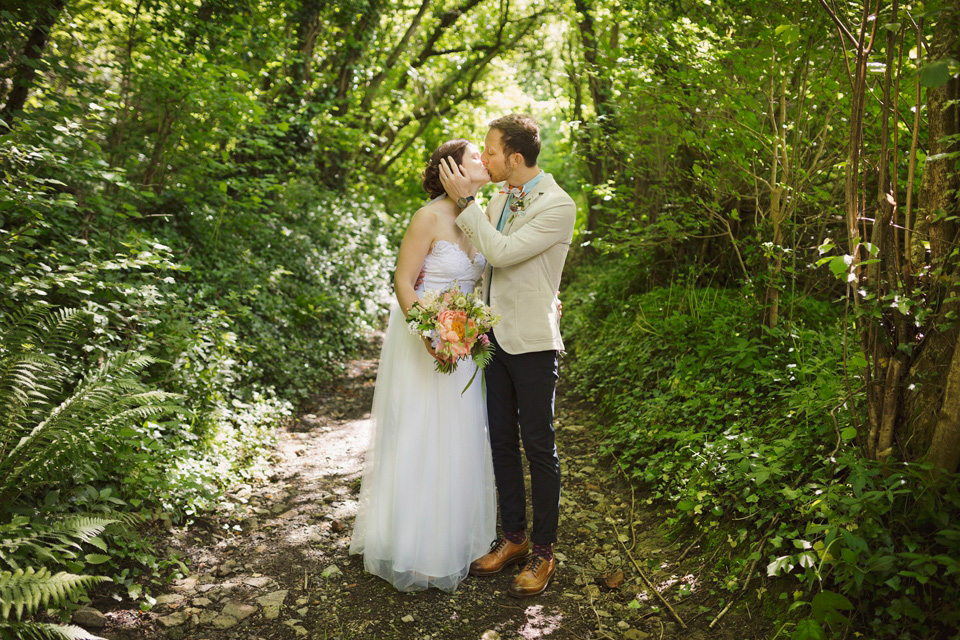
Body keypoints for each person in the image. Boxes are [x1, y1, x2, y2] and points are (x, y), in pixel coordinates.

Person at [349, 139, 496, 593]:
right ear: (453, 167)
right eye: (476, 155)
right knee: (422, 433)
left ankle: (459, 539)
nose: (484, 160)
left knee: (462, 436)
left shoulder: (483, 214)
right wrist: (429, 333)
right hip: (423, 339)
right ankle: (415, 545)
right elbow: (402, 278)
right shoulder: (427, 216)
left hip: (466, 341)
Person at [439, 114, 576, 598]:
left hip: (534, 342)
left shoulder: (558, 206)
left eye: (490, 151)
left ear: (515, 158)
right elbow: (481, 266)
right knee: (500, 441)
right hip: (492, 341)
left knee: (539, 447)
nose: (485, 157)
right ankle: (513, 538)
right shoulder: (498, 197)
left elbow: (499, 253)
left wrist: (466, 202)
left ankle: (543, 552)